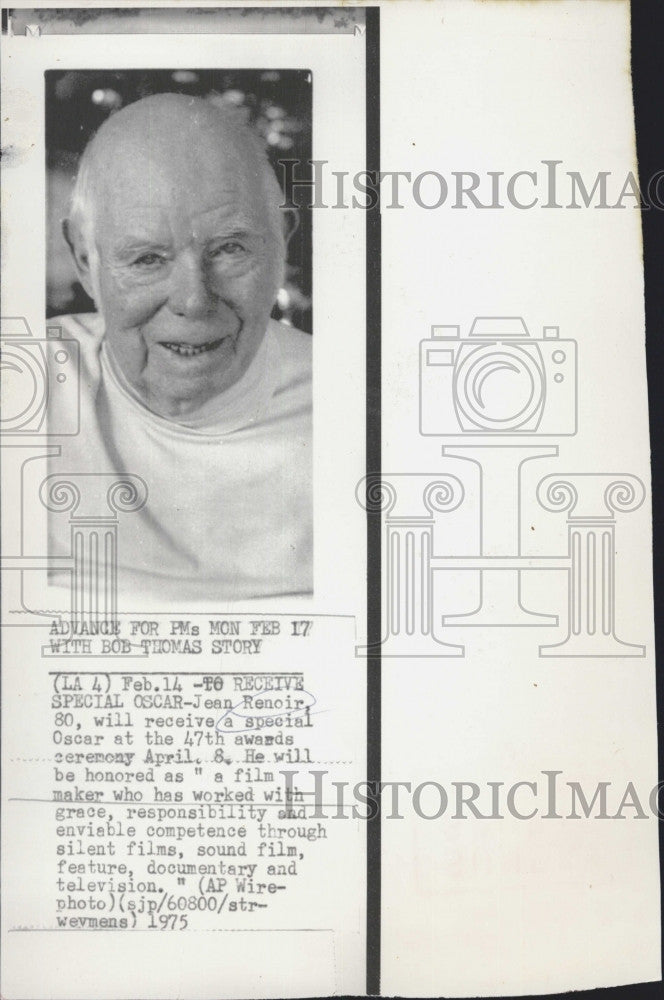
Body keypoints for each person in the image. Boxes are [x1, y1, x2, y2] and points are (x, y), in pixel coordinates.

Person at [47, 93, 312, 602]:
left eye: (230, 248)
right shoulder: (21, 387)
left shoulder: (364, 412)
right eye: (147, 259)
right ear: (85, 262)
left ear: (283, 243)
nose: (193, 300)